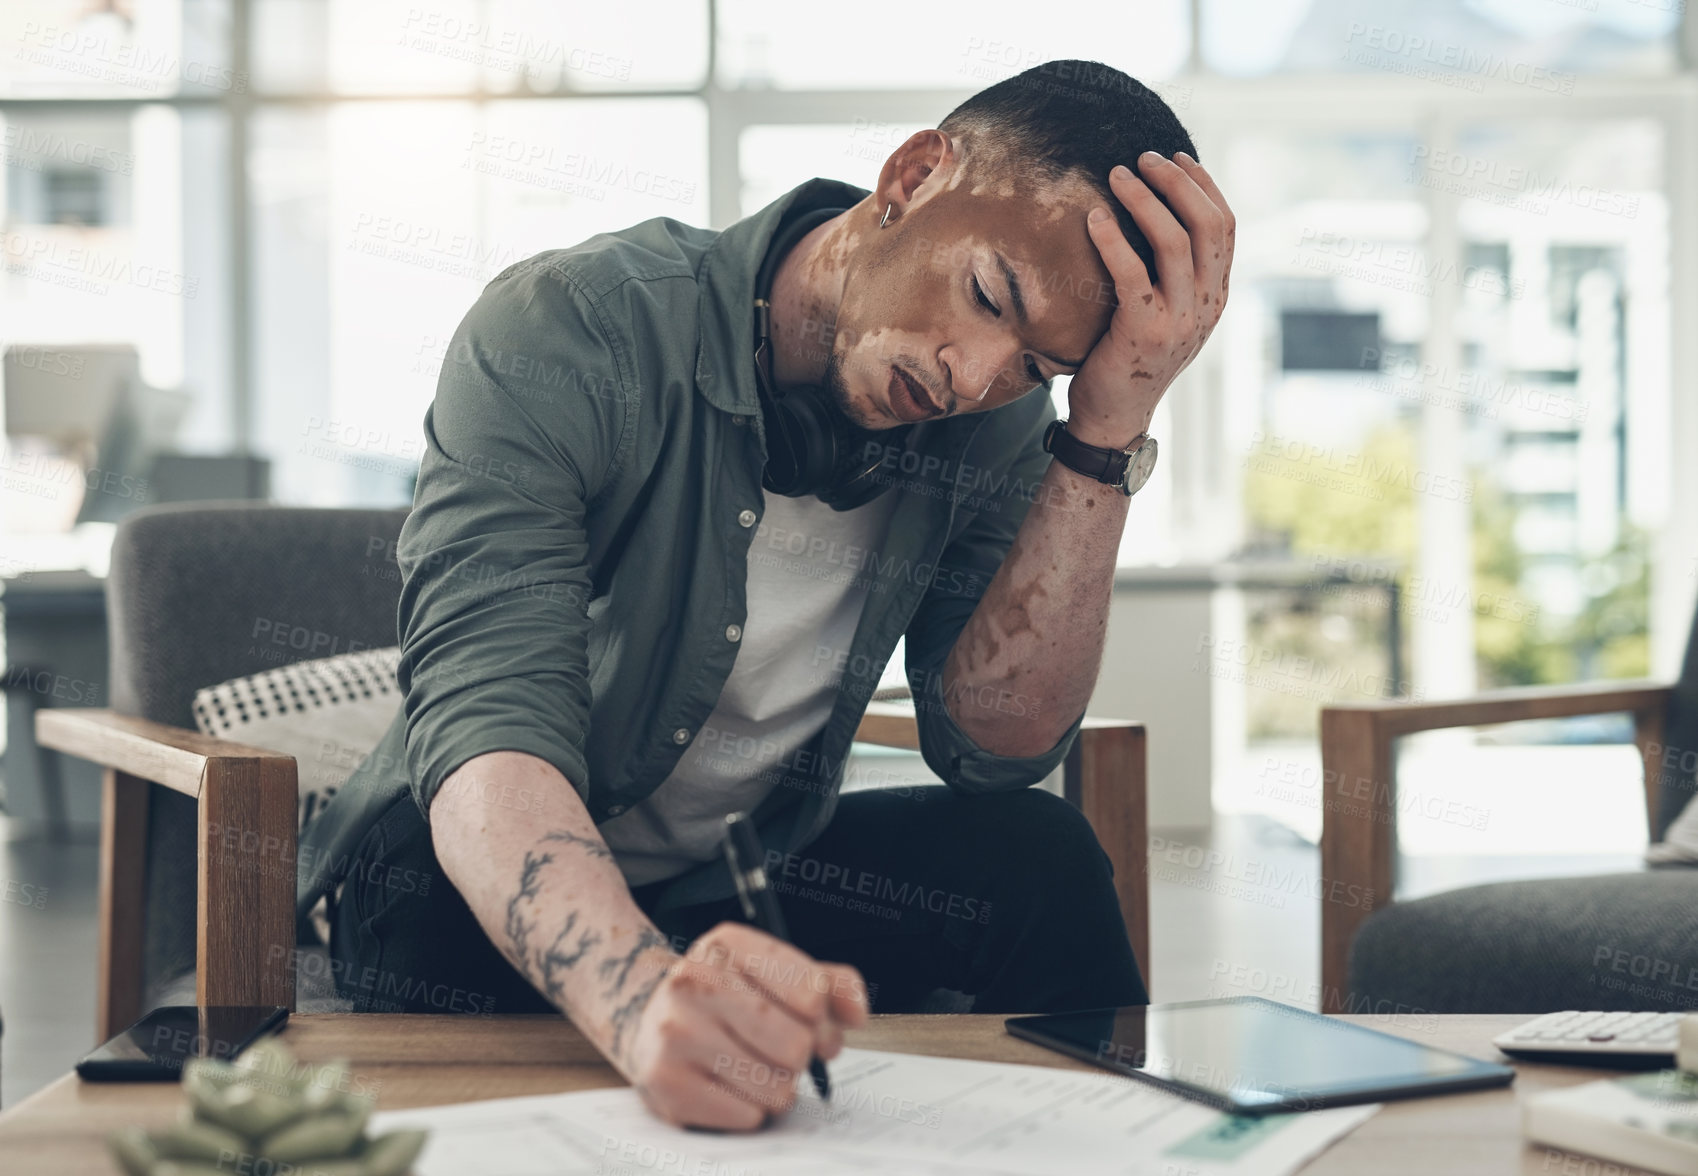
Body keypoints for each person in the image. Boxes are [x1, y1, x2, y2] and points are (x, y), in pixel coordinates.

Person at [301, 57, 1233, 1131]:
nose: (973, 376)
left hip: (727, 876)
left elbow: (997, 743)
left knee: (1044, 860)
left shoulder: (996, 424)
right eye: (989, 296)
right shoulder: (568, 329)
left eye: (1034, 365)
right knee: (441, 924)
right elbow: (484, 729)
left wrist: (1104, 432)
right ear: (916, 173)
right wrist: (641, 1000)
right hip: (454, 876)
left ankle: (1116, 1151)